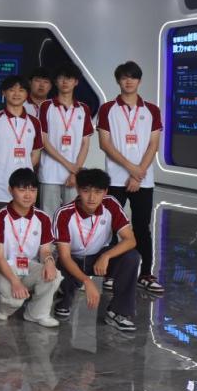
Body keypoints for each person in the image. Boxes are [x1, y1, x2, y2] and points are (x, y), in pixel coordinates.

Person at [96, 61, 164, 294]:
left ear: (139, 81)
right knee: (112, 227)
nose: (128, 81)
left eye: (133, 77)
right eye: (124, 77)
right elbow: (105, 143)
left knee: (142, 227)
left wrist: (139, 173)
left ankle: (145, 274)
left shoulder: (152, 110)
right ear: (118, 81)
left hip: (143, 180)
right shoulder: (107, 109)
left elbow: (153, 144)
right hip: (115, 179)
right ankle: (111, 273)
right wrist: (131, 168)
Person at [52, 169, 141, 331]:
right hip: (73, 259)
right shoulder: (64, 213)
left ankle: (118, 312)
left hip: (99, 257)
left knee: (131, 256)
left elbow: (130, 240)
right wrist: (87, 281)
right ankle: (65, 298)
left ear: (105, 192)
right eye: (86, 191)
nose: (92, 198)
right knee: (62, 267)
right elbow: (64, 256)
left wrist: (106, 256)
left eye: (98, 192)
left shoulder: (111, 204)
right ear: (78, 189)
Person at [0, 168, 61, 327]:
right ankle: (0, 307)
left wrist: (49, 262)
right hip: (4, 267)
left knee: (54, 275)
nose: (28, 195)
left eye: (33, 190)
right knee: (14, 301)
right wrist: (15, 282)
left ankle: (37, 313)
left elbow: (45, 250)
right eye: (22, 190)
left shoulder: (43, 218)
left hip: (28, 265)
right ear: (10, 190)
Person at [0, 76, 43, 216]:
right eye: (12, 90)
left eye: (21, 90)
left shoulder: (34, 122)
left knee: (23, 225)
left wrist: (25, 173)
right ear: (3, 92)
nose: (16, 94)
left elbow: (36, 154)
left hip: (24, 188)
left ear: (27, 94)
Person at [37, 63, 94, 218]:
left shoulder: (83, 109)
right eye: (61, 78)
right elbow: (43, 141)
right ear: (56, 82)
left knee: (72, 217)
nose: (65, 82)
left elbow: (85, 144)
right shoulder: (46, 106)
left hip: (73, 174)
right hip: (50, 173)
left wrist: (75, 171)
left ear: (76, 82)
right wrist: (71, 166)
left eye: (69, 78)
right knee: (48, 216)